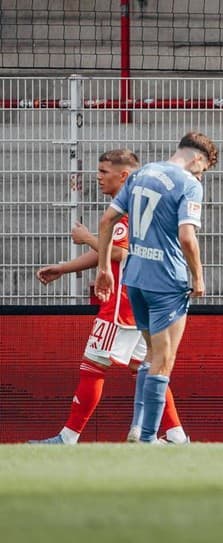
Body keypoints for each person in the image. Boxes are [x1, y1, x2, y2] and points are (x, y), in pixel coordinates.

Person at [29, 150, 188, 445]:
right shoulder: (135, 206)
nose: (98, 177)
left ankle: (68, 437)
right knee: (149, 367)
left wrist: (88, 237)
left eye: (104, 172)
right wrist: (63, 268)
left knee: (93, 366)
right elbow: (107, 252)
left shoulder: (128, 211)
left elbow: (120, 252)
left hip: (121, 304)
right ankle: (176, 433)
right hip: (142, 300)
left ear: (124, 176)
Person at [95, 132, 217, 443]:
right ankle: (148, 438)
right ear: (197, 159)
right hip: (166, 281)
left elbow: (108, 219)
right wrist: (199, 277)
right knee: (164, 360)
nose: (200, 175)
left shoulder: (141, 173)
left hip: (135, 277)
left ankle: (138, 429)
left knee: (150, 355)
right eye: (202, 169)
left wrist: (103, 268)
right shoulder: (189, 184)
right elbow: (187, 237)